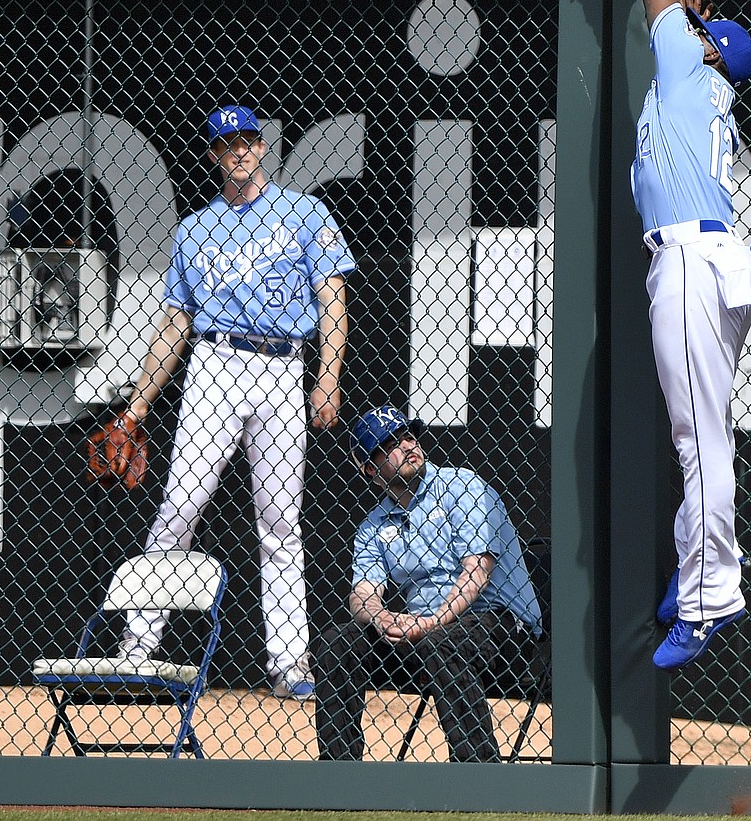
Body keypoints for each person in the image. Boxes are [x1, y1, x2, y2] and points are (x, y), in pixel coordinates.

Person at [115, 104, 356, 700]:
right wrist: (139, 405)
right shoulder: (195, 227)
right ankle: (137, 646)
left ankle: (290, 663)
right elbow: (175, 321)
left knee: (280, 524)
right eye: (230, 145)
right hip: (215, 362)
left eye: (249, 141)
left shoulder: (304, 212)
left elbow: (333, 301)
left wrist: (327, 378)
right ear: (214, 157)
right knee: (180, 506)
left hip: (281, 367)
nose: (242, 151)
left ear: (262, 148)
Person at [623, 0, 751, 671]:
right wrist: (695, 27)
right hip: (718, 258)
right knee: (706, 434)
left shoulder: (688, 64)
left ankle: (712, 597)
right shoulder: (705, 82)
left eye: (694, 25)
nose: (680, 12)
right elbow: (678, 9)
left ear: (710, 49)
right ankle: (694, 578)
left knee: (697, 437)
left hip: (691, 257)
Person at [313, 405, 542, 761]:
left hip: (501, 628)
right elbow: (362, 595)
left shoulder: (463, 487)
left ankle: (480, 776)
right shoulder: (373, 525)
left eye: (407, 435)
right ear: (372, 469)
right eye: (390, 442)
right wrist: (381, 618)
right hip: (423, 636)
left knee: (441, 643)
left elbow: (477, 572)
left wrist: (431, 623)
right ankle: (340, 775)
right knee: (337, 642)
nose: (407, 445)